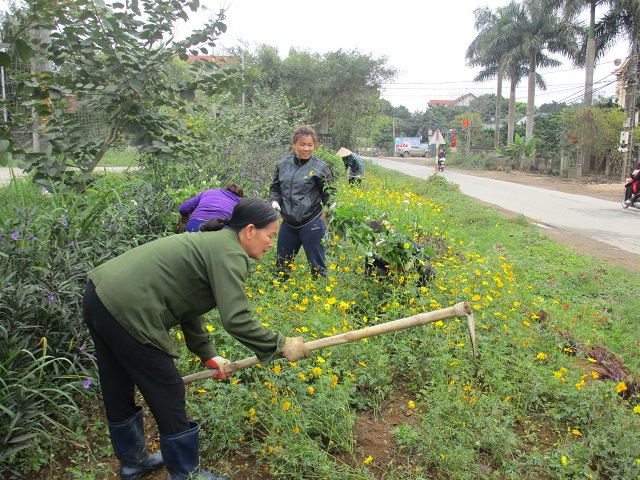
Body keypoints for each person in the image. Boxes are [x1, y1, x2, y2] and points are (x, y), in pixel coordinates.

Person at [82, 198, 312, 480]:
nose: (271, 243)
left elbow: (186, 301)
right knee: (168, 390)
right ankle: (184, 474)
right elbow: (236, 319)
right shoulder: (230, 253)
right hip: (129, 309)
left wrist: (206, 352)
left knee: (117, 384)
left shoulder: (215, 243)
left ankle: (134, 462)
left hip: (99, 295)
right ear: (250, 230)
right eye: (270, 235)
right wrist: (281, 344)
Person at [269, 125, 334, 277]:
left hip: (312, 222)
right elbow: (275, 188)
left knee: (318, 267)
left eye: (310, 145)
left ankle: (321, 295)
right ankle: (280, 292)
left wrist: (332, 202)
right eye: (302, 144)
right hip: (288, 223)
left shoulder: (320, 167)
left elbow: (329, 191)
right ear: (294, 145)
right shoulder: (283, 165)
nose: (306, 149)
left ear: (314, 146)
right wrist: (274, 200)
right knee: (282, 266)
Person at [178, 182, 244, 233]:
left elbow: (183, 208)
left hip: (194, 224)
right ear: (240, 196)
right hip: (219, 230)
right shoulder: (240, 203)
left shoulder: (209, 192)